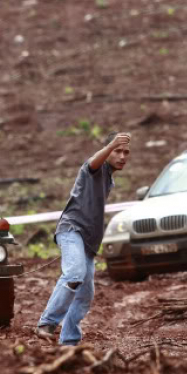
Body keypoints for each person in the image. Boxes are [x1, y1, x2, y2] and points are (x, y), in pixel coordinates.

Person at [36, 132, 131, 345]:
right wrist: (110, 145)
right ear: (107, 152)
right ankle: (47, 323)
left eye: (126, 152)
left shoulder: (108, 179)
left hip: (88, 240)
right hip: (71, 230)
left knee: (85, 294)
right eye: (118, 151)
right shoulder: (93, 170)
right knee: (74, 274)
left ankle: (69, 341)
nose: (122, 156)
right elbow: (91, 163)